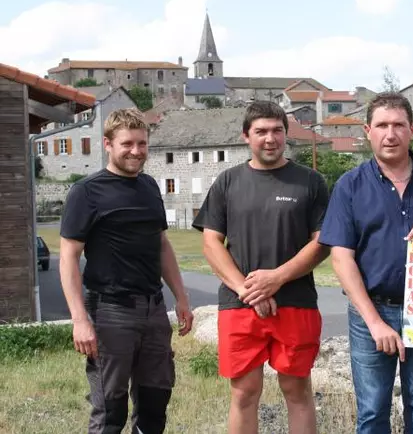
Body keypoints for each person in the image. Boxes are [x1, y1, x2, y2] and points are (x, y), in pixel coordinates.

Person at [319, 92, 413, 434]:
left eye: (399, 125)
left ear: (412, 130)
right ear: (367, 131)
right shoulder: (349, 186)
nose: (391, 134)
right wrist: (374, 323)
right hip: (371, 311)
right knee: (372, 412)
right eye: (382, 125)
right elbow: (341, 259)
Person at [192, 101, 330, 434]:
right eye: (261, 132)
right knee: (244, 393)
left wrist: (276, 279)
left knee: (297, 391)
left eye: (277, 131)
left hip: (296, 302)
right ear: (246, 136)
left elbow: (322, 243)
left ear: (286, 134)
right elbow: (211, 244)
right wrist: (248, 290)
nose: (270, 139)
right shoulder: (227, 182)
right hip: (239, 306)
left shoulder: (310, 182)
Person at [59, 108, 194, 434]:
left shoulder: (149, 187)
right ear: (108, 144)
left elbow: (161, 245)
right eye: (128, 144)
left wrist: (182, 297)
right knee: (110, 411)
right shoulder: (86, 192)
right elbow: (68, 258)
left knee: (154, 406)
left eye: (142, 144)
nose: (136, 151)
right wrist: (80, 320)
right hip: (110, 312)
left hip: (153, 310)